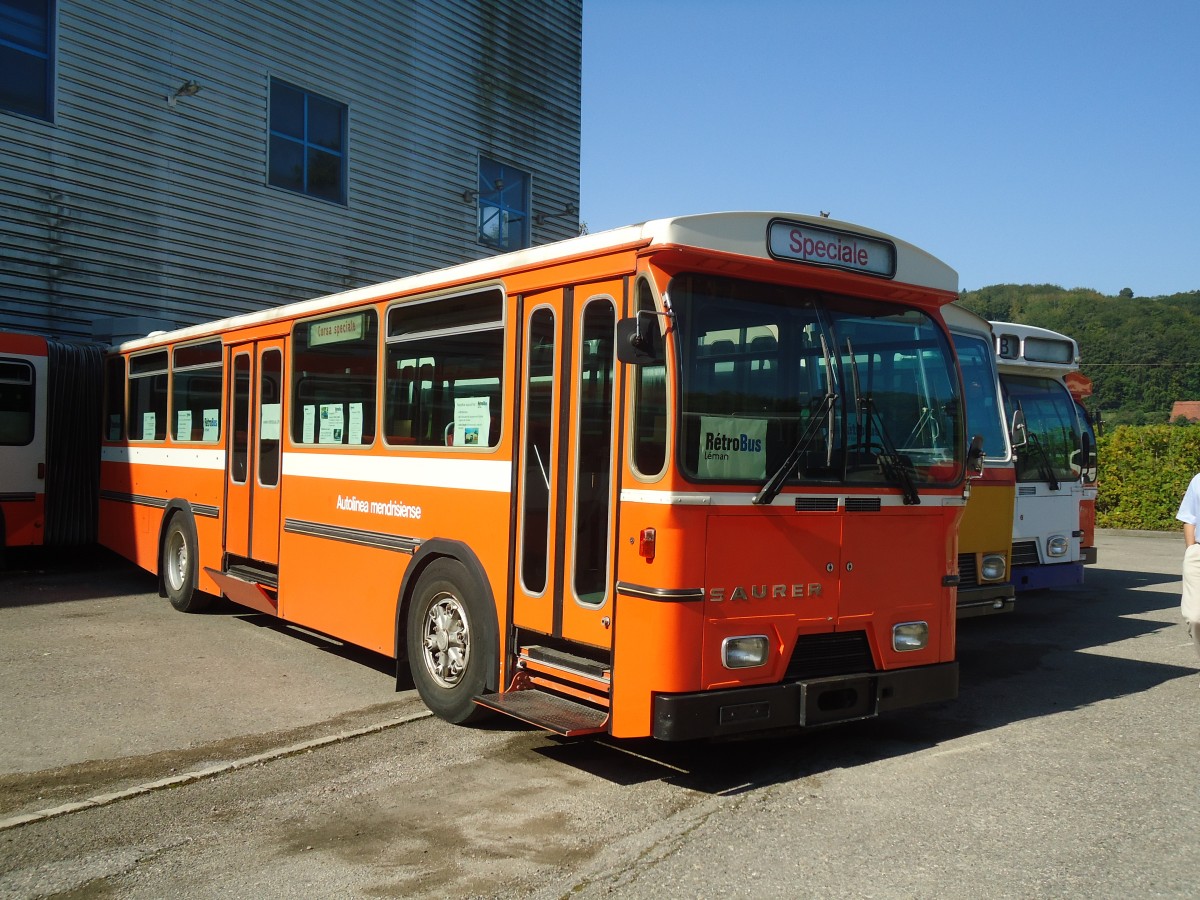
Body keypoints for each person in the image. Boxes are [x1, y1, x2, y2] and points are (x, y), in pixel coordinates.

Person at [1174, 472, 1200, 660]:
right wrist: (1191, 549)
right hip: (1198, 553)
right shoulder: (1198, 480)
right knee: (1195, 617)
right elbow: (1189, 517)